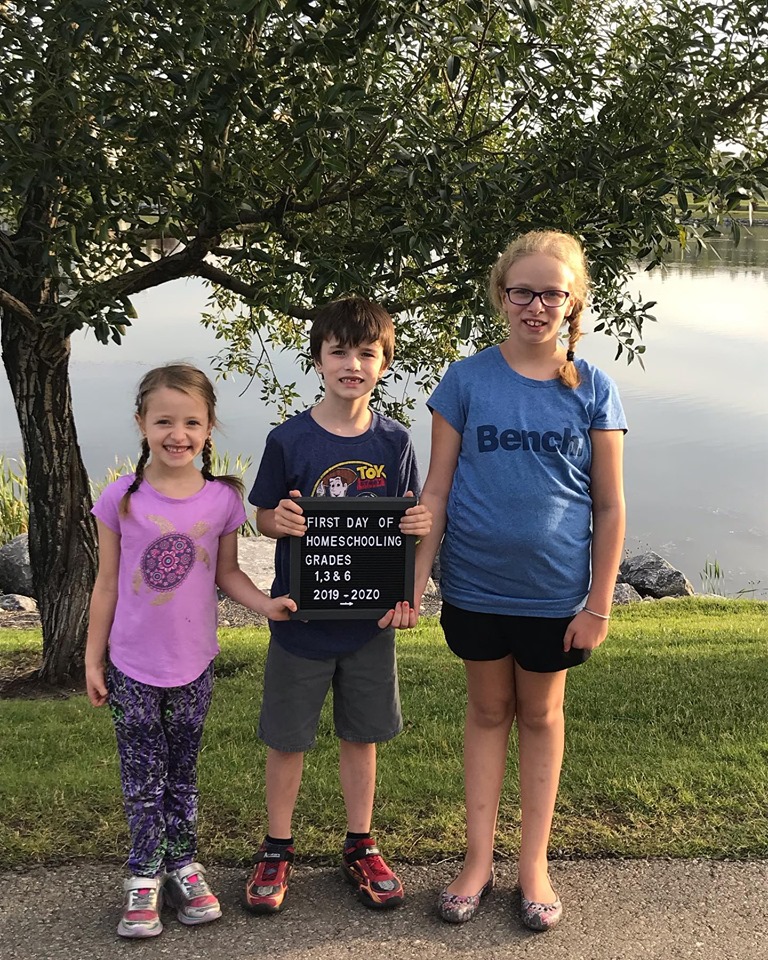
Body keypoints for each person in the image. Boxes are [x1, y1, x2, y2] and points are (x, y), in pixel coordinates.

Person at [413, 231, 626, 931]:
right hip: (475, 587)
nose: (536, 306)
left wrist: (599, 604)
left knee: (539, 716)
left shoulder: (594, 388)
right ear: (501, 296)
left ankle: (532, 863)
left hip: (556, 595)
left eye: (552, 294)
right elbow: (436, 492)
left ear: (574, 303)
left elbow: (608, 504)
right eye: (522, 292)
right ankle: (477, 860)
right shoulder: (465, 380)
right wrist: (415, 582)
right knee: (485, 713)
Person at [85, 363, 296, 939]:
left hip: (194, 664)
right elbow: (105, 583)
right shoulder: (119, 499)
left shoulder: (223, 501)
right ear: (141, 424)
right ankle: (143, 876)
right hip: (131, 664)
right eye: (163, 422)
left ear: (208, 429)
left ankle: (183, 864)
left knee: (183, 773)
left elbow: (227, 573)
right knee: (141, 776)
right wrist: (91, 657)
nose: (177, 434)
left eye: (191, 423)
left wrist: (267, 604)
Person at [245, 297, 431, 914]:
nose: (352, 364)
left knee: (363, 735)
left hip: (369, 623)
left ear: (385, 362)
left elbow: (403, 523)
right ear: (318, 359)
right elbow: (263, 517)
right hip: (302, 616)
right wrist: (281, 519)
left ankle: (360, 843)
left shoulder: (395, 440)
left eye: (367, 353)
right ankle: (276, 846)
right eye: (339, 352)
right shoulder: (288, 438)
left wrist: (420, 527)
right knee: (288, 739)